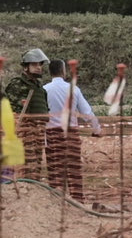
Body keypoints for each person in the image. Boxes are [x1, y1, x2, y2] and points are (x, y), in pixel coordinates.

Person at [43, 59, 102, 202]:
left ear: (50, 72)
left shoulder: (44, 90)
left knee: (55, 168)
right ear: (63, 71)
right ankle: (77, 202)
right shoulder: (73, 89)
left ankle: (56, 201)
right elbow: (87, 112)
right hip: (71, 134)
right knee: (73, 169)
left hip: (51, 135)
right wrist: (97, 129)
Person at [4, 48, 51, 179]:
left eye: (40, 64)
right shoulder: (17, 84)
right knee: (27, 165)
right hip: (25, 132)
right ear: (26, 67)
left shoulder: (40, 89)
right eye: (34, 64)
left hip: (39, 131)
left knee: (36, 163)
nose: (39, 67)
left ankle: (33, 189)